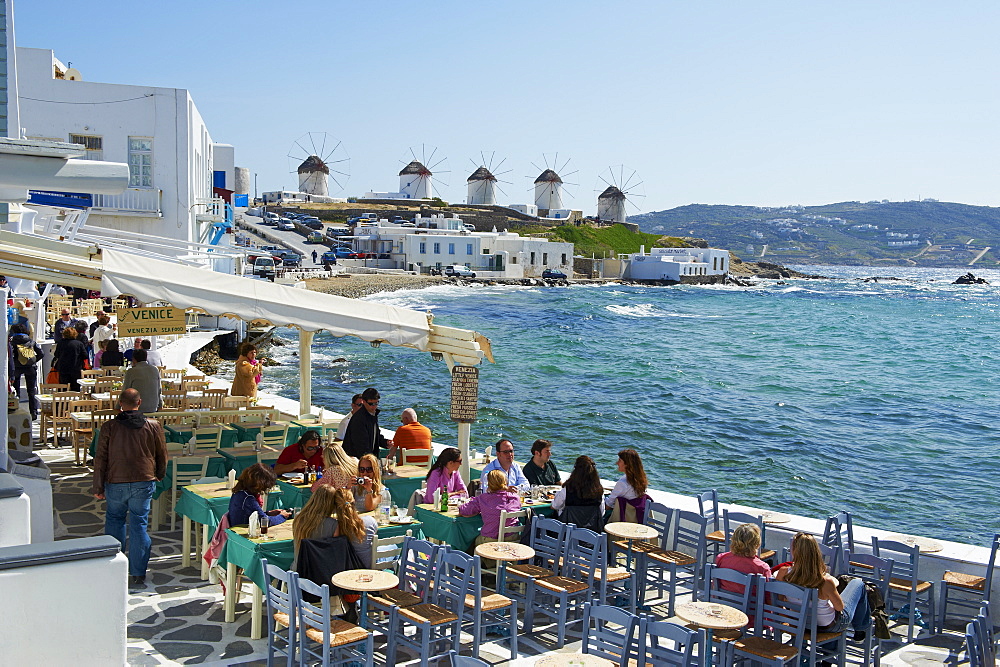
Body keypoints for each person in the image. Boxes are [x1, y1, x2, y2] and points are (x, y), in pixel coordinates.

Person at [90, 388, 168, 588]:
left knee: (115, 520)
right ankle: (138, 572)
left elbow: (101, 458)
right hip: (143, 480)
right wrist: (159, 474)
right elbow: (162, 454)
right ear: (139, 402)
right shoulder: (153, 426)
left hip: (116, 481)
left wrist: (98, 485)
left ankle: (114, 565)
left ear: (120, 404)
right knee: (139, 524)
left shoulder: (109, 427)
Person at [775, 532, 871, 639]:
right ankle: (861, 630)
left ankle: (832, 645)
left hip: (799, 622)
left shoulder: (783, 573)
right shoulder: (825, 581)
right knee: (857, 583)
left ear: (794, 552)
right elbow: (839, 608)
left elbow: (780, 600)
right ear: (815, 552)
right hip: (825, 627)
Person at [459, 469, 522, 547]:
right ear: (505, 482)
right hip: (513, 539)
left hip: (490, 540)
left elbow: (464, 511)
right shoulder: (515, 498)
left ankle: (475, 558)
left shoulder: (483, 498)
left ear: (489, 483)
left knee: (470, 541)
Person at [228, 463, 291, 527]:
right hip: (243, 532)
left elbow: (253, 515)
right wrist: (282, 516)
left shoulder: (240, 492)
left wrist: (269, 513)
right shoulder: (248, 498)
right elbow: (265, 521)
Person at [552, 455, 605, 530]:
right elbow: (601, 512)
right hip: (592, 531)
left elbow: (555, 506)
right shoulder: (598, 490)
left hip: (568, 531)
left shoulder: (568, 488)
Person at [329, 487, 379, 566]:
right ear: (354, 501)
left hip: (347, 568)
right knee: (393, 548)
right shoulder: (370, 521)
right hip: (368, 566)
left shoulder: (333, 526)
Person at [342, 387, 392, 459]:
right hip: (356, 459)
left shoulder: (372, 414)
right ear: (364, 402)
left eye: (376, 403)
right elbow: (361, 445)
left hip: (366, 457)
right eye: (371, 404)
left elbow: (375, 434)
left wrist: (385, 443)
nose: (374, 406)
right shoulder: (359, 419)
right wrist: (370, 461)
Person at [604, 448, 649, 523]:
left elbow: (608, 506)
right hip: (635, 517)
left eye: (620, 461)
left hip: (622, 518)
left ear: (627, 464)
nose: (617, 463)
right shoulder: (640, 480)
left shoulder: (623, 482)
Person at [9, 323, 43, 420]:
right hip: (30, 367)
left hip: (17, 367)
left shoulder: (12, 342)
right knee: (31, 391)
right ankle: (33, 412)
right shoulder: (30, 341)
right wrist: (32, 361)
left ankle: (17, 410)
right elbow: (41, 353)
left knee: (16, 390)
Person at [122, 349, 162, 415]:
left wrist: (118, 406)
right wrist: (160, 405)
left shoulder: (131, 371)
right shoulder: (155, 369)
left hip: (136, 408)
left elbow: (125, 391)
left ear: (134, 359)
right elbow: (159, 390)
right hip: (153, 408)